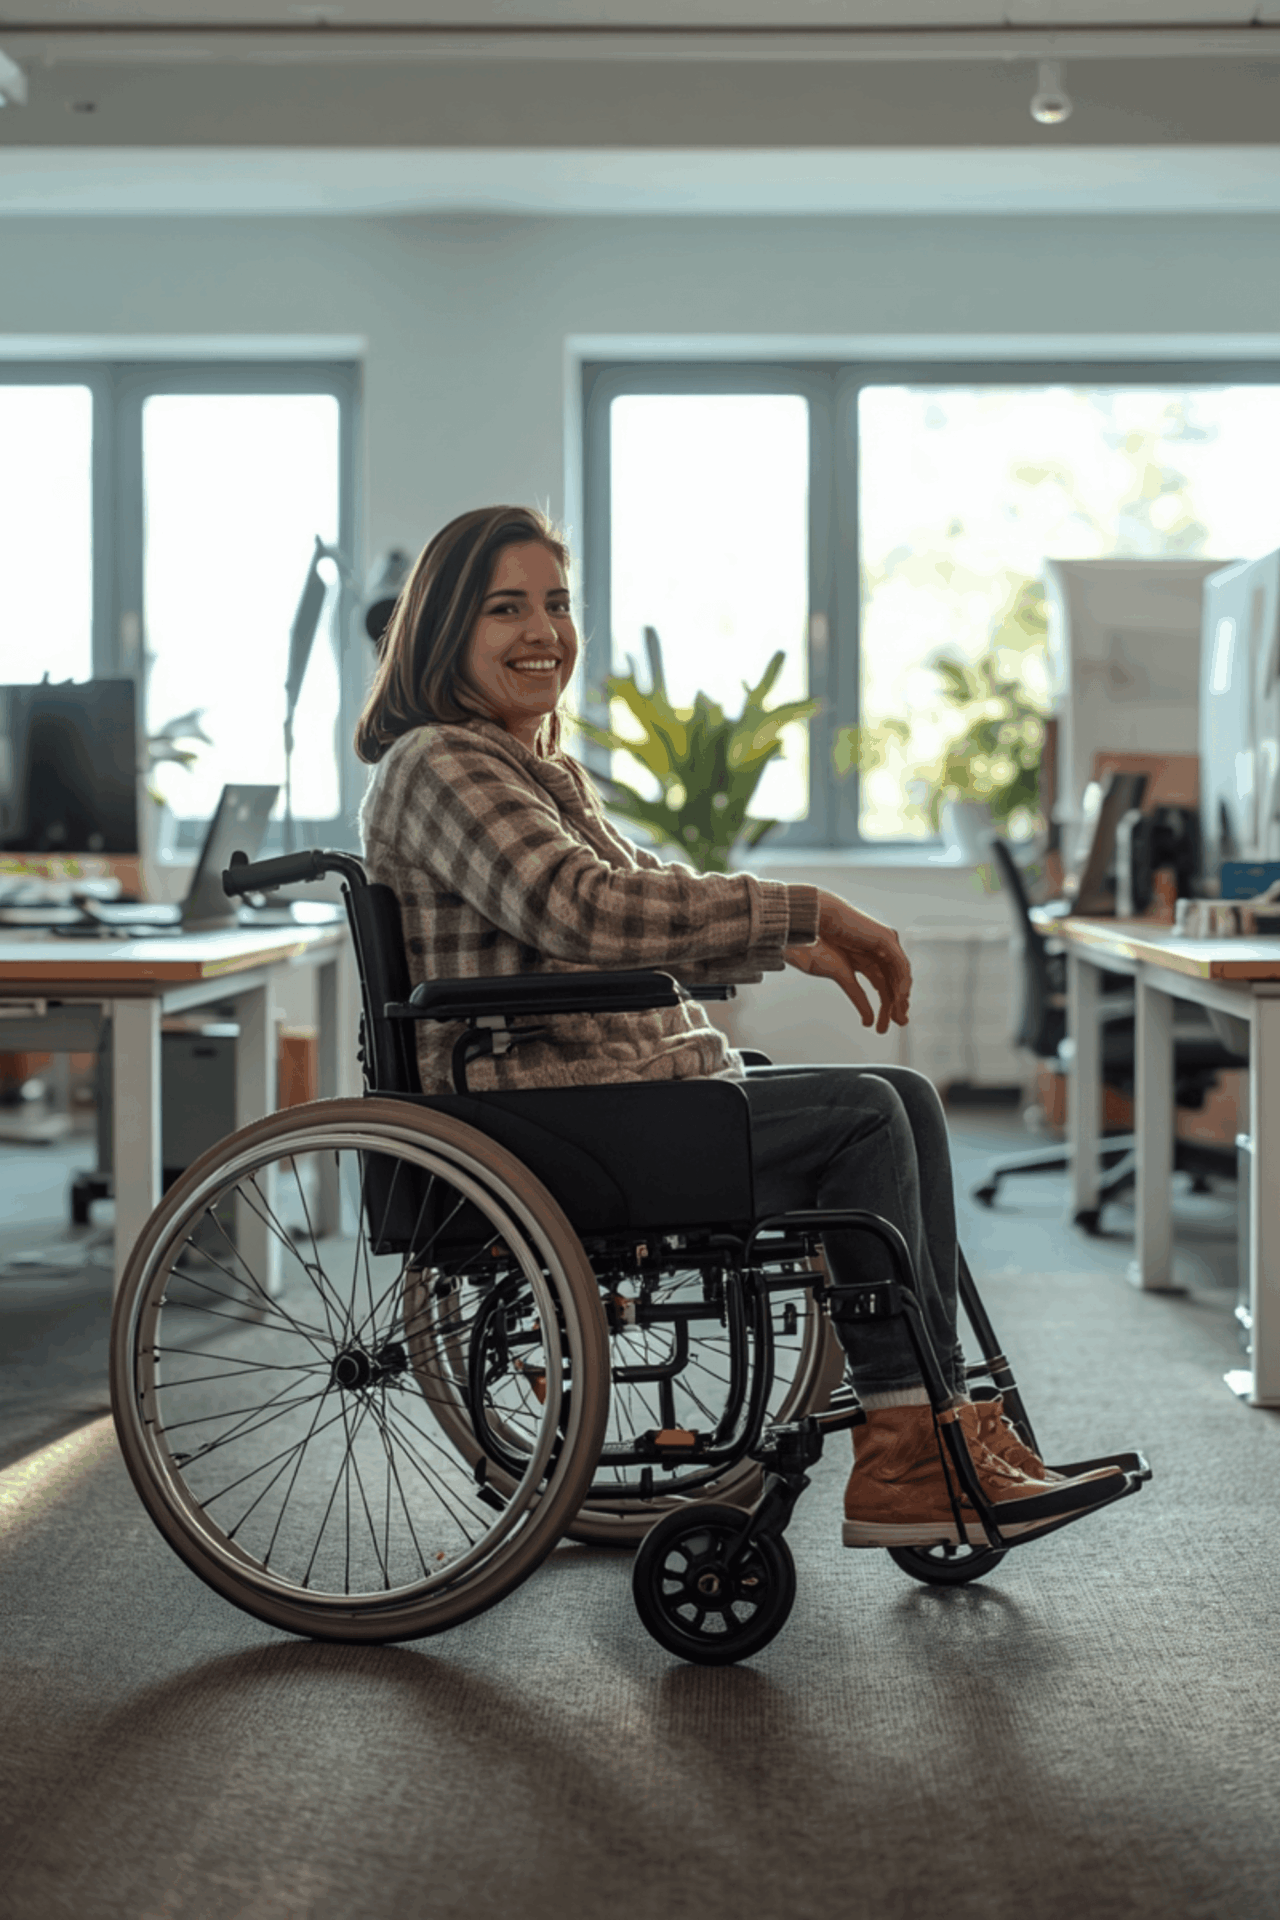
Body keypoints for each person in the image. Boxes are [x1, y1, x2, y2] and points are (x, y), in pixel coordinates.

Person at [356, 504, 1119, 1549]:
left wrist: (786, 937)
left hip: (587, 1093)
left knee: (902, 1097)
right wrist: (800, 908)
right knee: (863, 1117)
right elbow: (583, 912)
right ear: (444, 629)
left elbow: (636, 891)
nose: (543, 630)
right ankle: (907, 1452)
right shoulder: (441, 762)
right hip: (544, 1112)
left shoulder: (522, 765)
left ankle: (937, 1428)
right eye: (505, 608)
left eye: (556, 603)